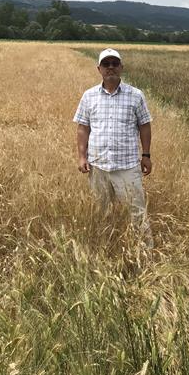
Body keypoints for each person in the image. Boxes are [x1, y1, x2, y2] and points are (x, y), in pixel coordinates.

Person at [73, 48, 153, 247]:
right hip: (98, 166)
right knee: (101, 211)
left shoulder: (136, 95)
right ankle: (104, 248)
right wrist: (82, 157)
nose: (110, 68)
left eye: (114, 64)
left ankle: (144, 251)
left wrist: (146, 154)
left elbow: (145, 125)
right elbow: (83, 128)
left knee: (136, 212)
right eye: (106, 64)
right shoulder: (89, 96)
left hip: (127, 167)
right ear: (98, 68)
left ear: (121, 68)